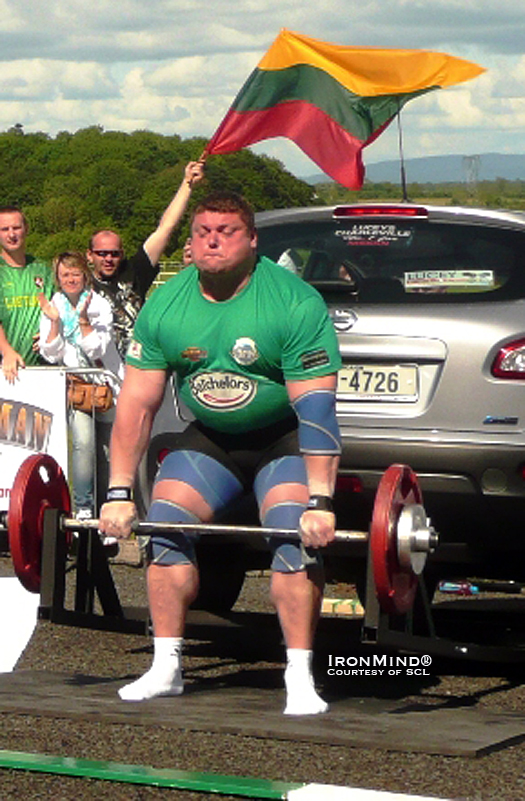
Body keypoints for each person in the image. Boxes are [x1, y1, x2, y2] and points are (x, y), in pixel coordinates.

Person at [99, 191, 342, 716]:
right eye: (202, 230)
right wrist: (118, 491)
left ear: (253, 240)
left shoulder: (293, 302)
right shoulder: (165, 303)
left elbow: (317, 411)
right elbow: (137, 405)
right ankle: (167, 666)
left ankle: (299, 676)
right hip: (214, 438)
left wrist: (321, 500)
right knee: (163, 521)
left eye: (227, 230)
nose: (212, 239)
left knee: (290, 531)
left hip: (283, 438)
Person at [87, 160, 204, 359]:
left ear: (122, 254)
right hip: (97, 371)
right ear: (89, 255)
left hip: (136, 367)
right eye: (102, 253)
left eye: (114, 253)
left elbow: (165, 228)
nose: (108, 259)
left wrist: (187, 184)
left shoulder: (134, 271)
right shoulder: (79, 283)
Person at [38, 251, 121, 518]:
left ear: (85, 275)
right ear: (58, 279)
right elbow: (50, 353)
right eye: (65, 274)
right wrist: (54, 321)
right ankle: (84, 508)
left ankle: (107, 511)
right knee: (83, 445)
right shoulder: (56, 304)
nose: (71, 279)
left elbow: (97, 347)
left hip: (108, 386)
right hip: (79, 389)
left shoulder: (99, 304)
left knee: (108, 454)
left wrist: (83, 318)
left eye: (75, 273)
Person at [0, 206, 54, 382]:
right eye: (5, 229)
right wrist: (6, 351)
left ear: (26, 229)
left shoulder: (44, 270)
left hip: (41, 369)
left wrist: (50, 332)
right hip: (4, 368)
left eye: (16, 228)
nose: (11, 234)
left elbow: (59, 308)